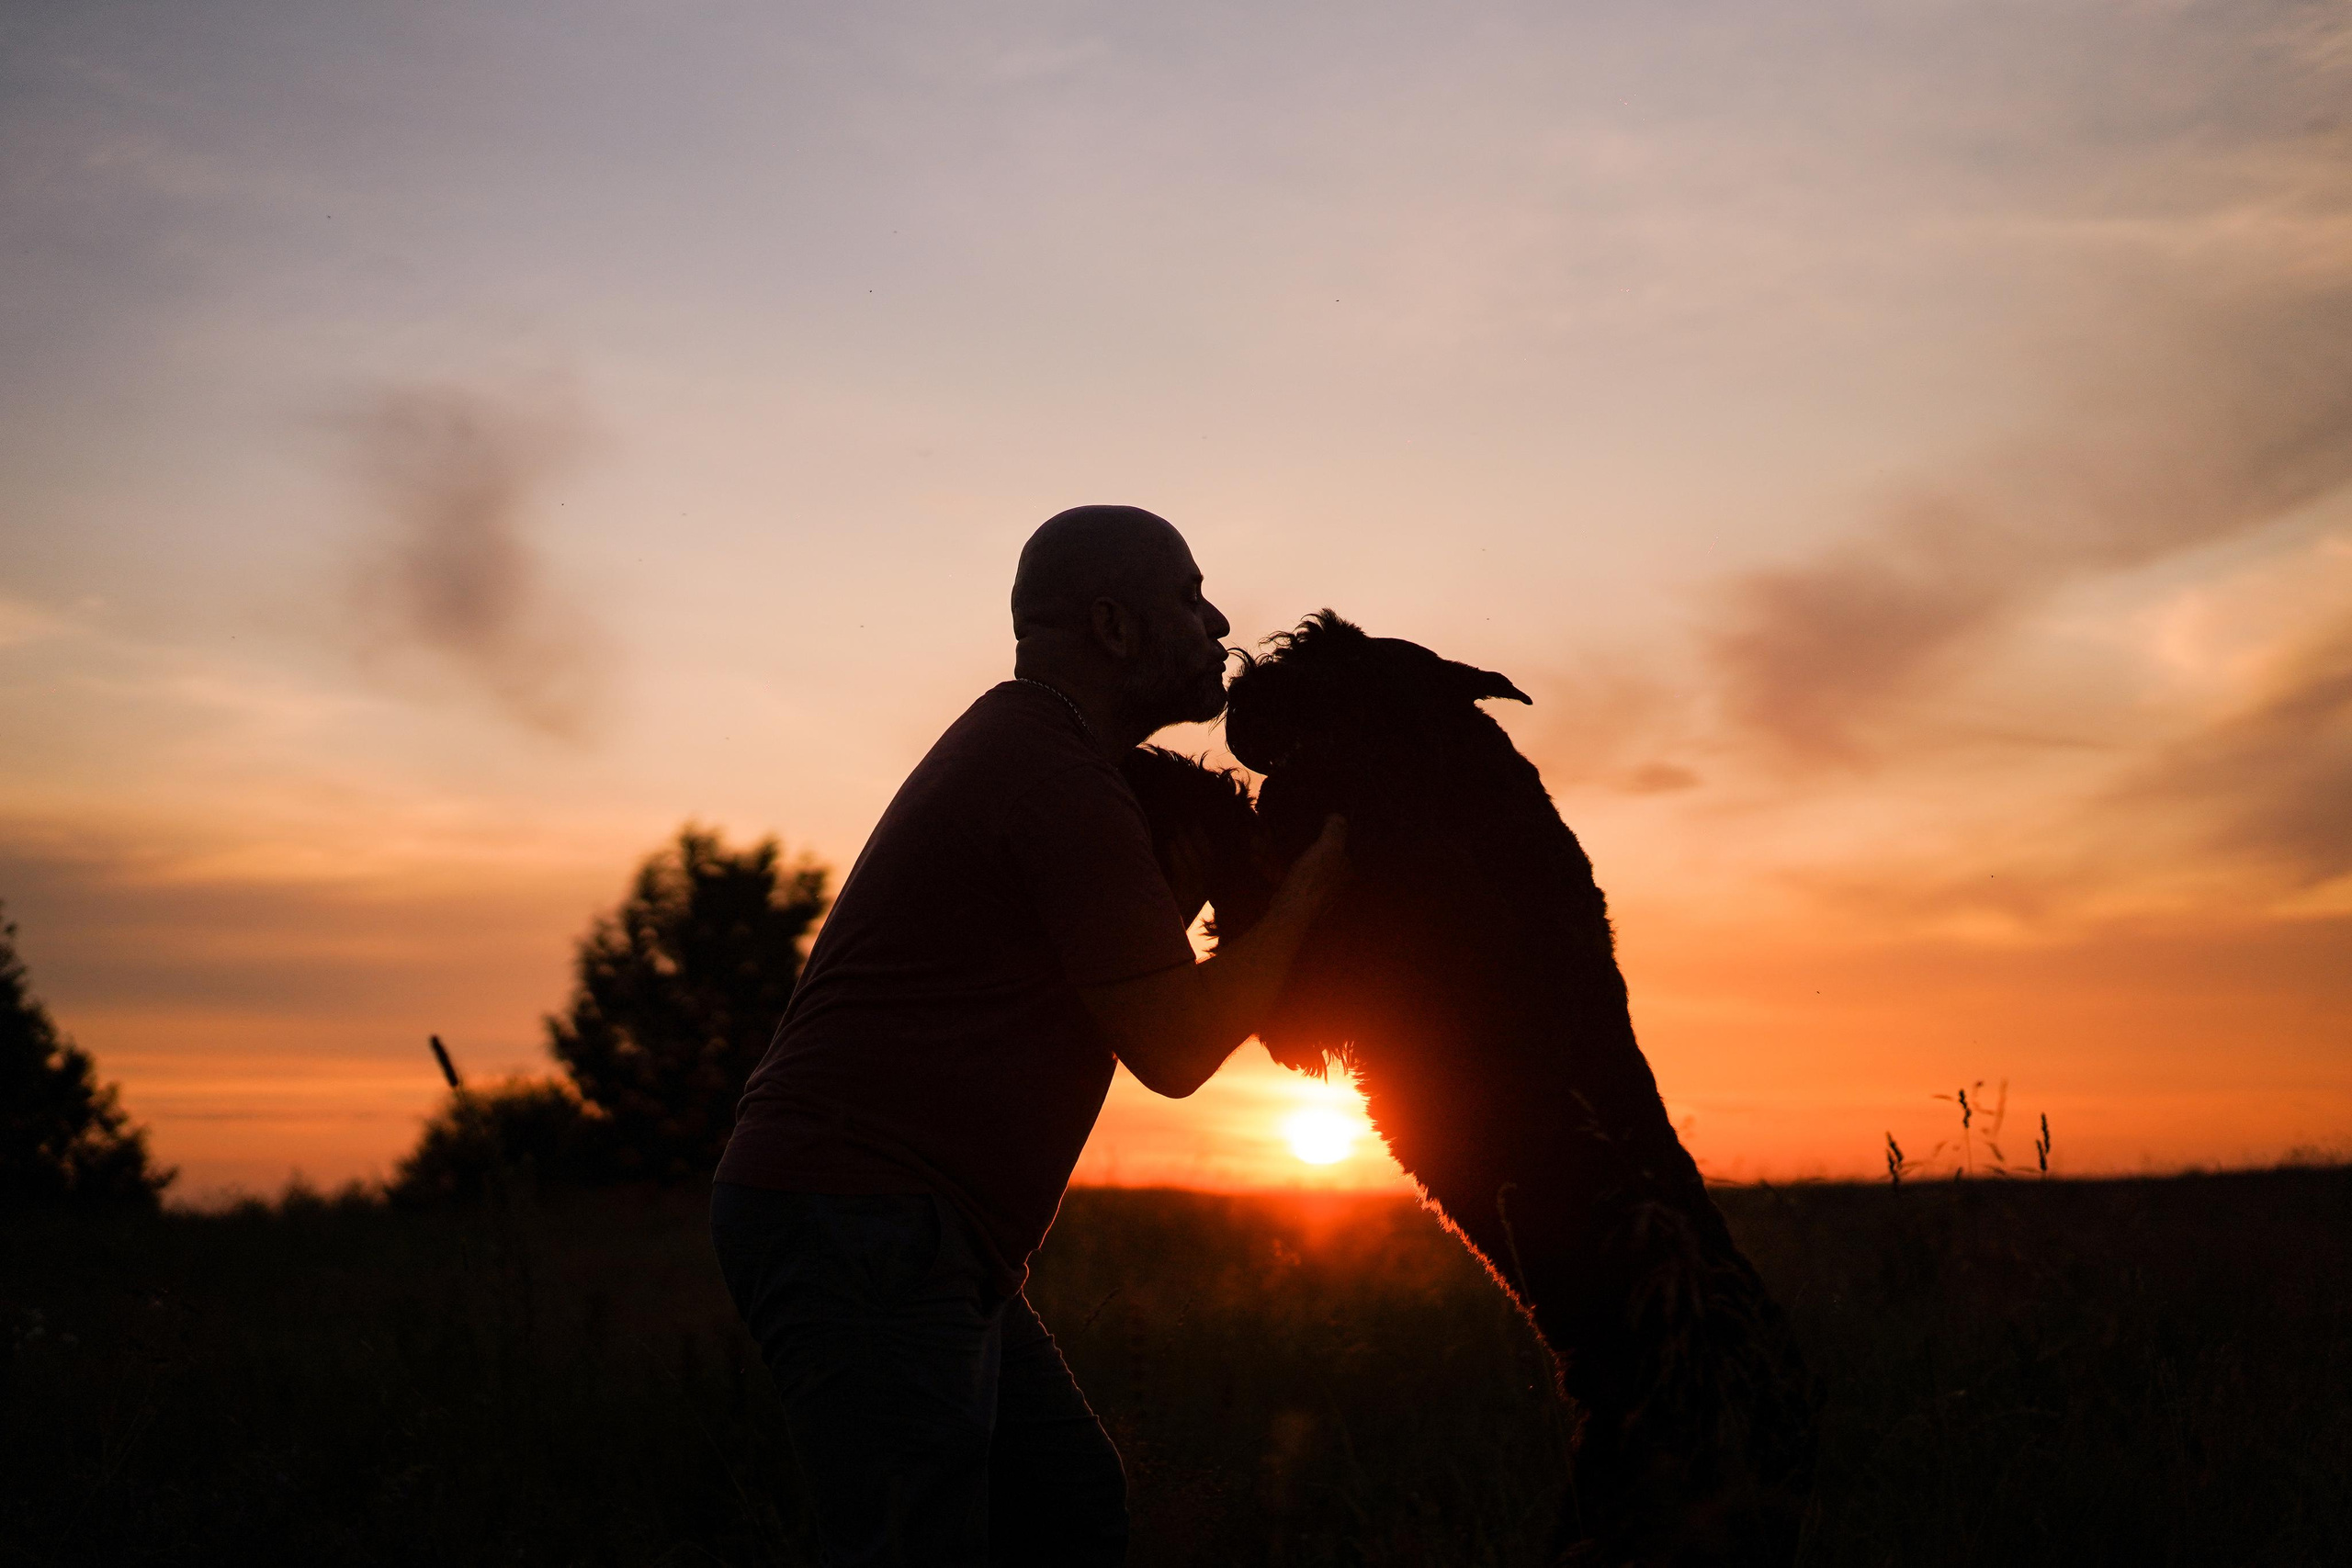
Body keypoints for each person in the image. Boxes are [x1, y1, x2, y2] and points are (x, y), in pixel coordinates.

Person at [710, 505, 1349, 1567]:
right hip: (863, 1219)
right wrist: (1307, 901)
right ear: (1113, 624)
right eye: (1189, 597)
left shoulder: (1040, 754)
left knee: (1063, 1508)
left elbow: (1122, 987)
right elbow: (1177, 1049)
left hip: (892, 1224)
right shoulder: (1058, 779)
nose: (1219, 620)